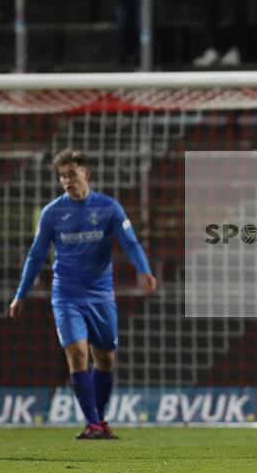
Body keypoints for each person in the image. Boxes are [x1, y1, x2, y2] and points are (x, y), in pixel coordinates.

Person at [9, 148, 157, 439]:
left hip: (101, 296)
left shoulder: (109, 208)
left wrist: (144, 269)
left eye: (71, 174)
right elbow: (36, 255)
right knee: (77, 354)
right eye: (62, 176)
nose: (67, 181)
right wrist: (20, 294)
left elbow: (130, 242)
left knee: (105, 360)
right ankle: (91, 424)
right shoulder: (52, 213)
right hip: (66, 295)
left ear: (85, 174)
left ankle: (99, 421)